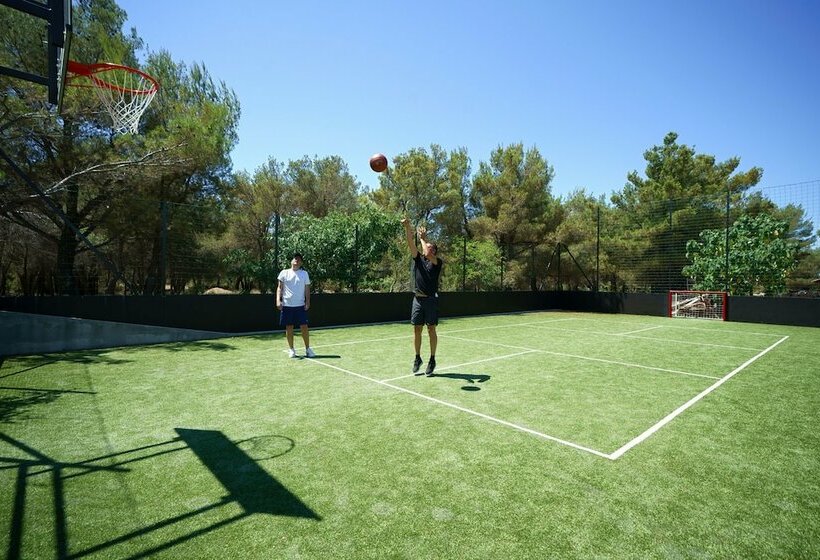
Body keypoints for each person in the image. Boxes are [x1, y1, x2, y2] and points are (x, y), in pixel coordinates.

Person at [402, 216, 443, 376]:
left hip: (431, 299)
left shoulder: (437, 263)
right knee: (416, 330)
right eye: (428, 246)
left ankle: (432, 359)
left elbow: (425, 250)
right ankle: (417, 358)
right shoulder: (418, 260)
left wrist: (423, 238)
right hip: (417, 299)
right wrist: (407, 228)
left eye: (431, 247)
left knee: (431, 329)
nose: (428, 248)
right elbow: (410, 244)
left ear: (434, 252)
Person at [276, 253, 316, 358]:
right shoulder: (284, 273)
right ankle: (291, 350)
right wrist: (278, 300)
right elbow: (279, 288)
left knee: (304, 327)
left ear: (301, 262)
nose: (296, 261)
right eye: (295, 259)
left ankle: (308, 349)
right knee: (289, 327)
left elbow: (307, 289)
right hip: (287, 305)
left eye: (298, 259)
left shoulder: (304, 274)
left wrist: (308, 302)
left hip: (300, 306)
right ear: (291, 261)